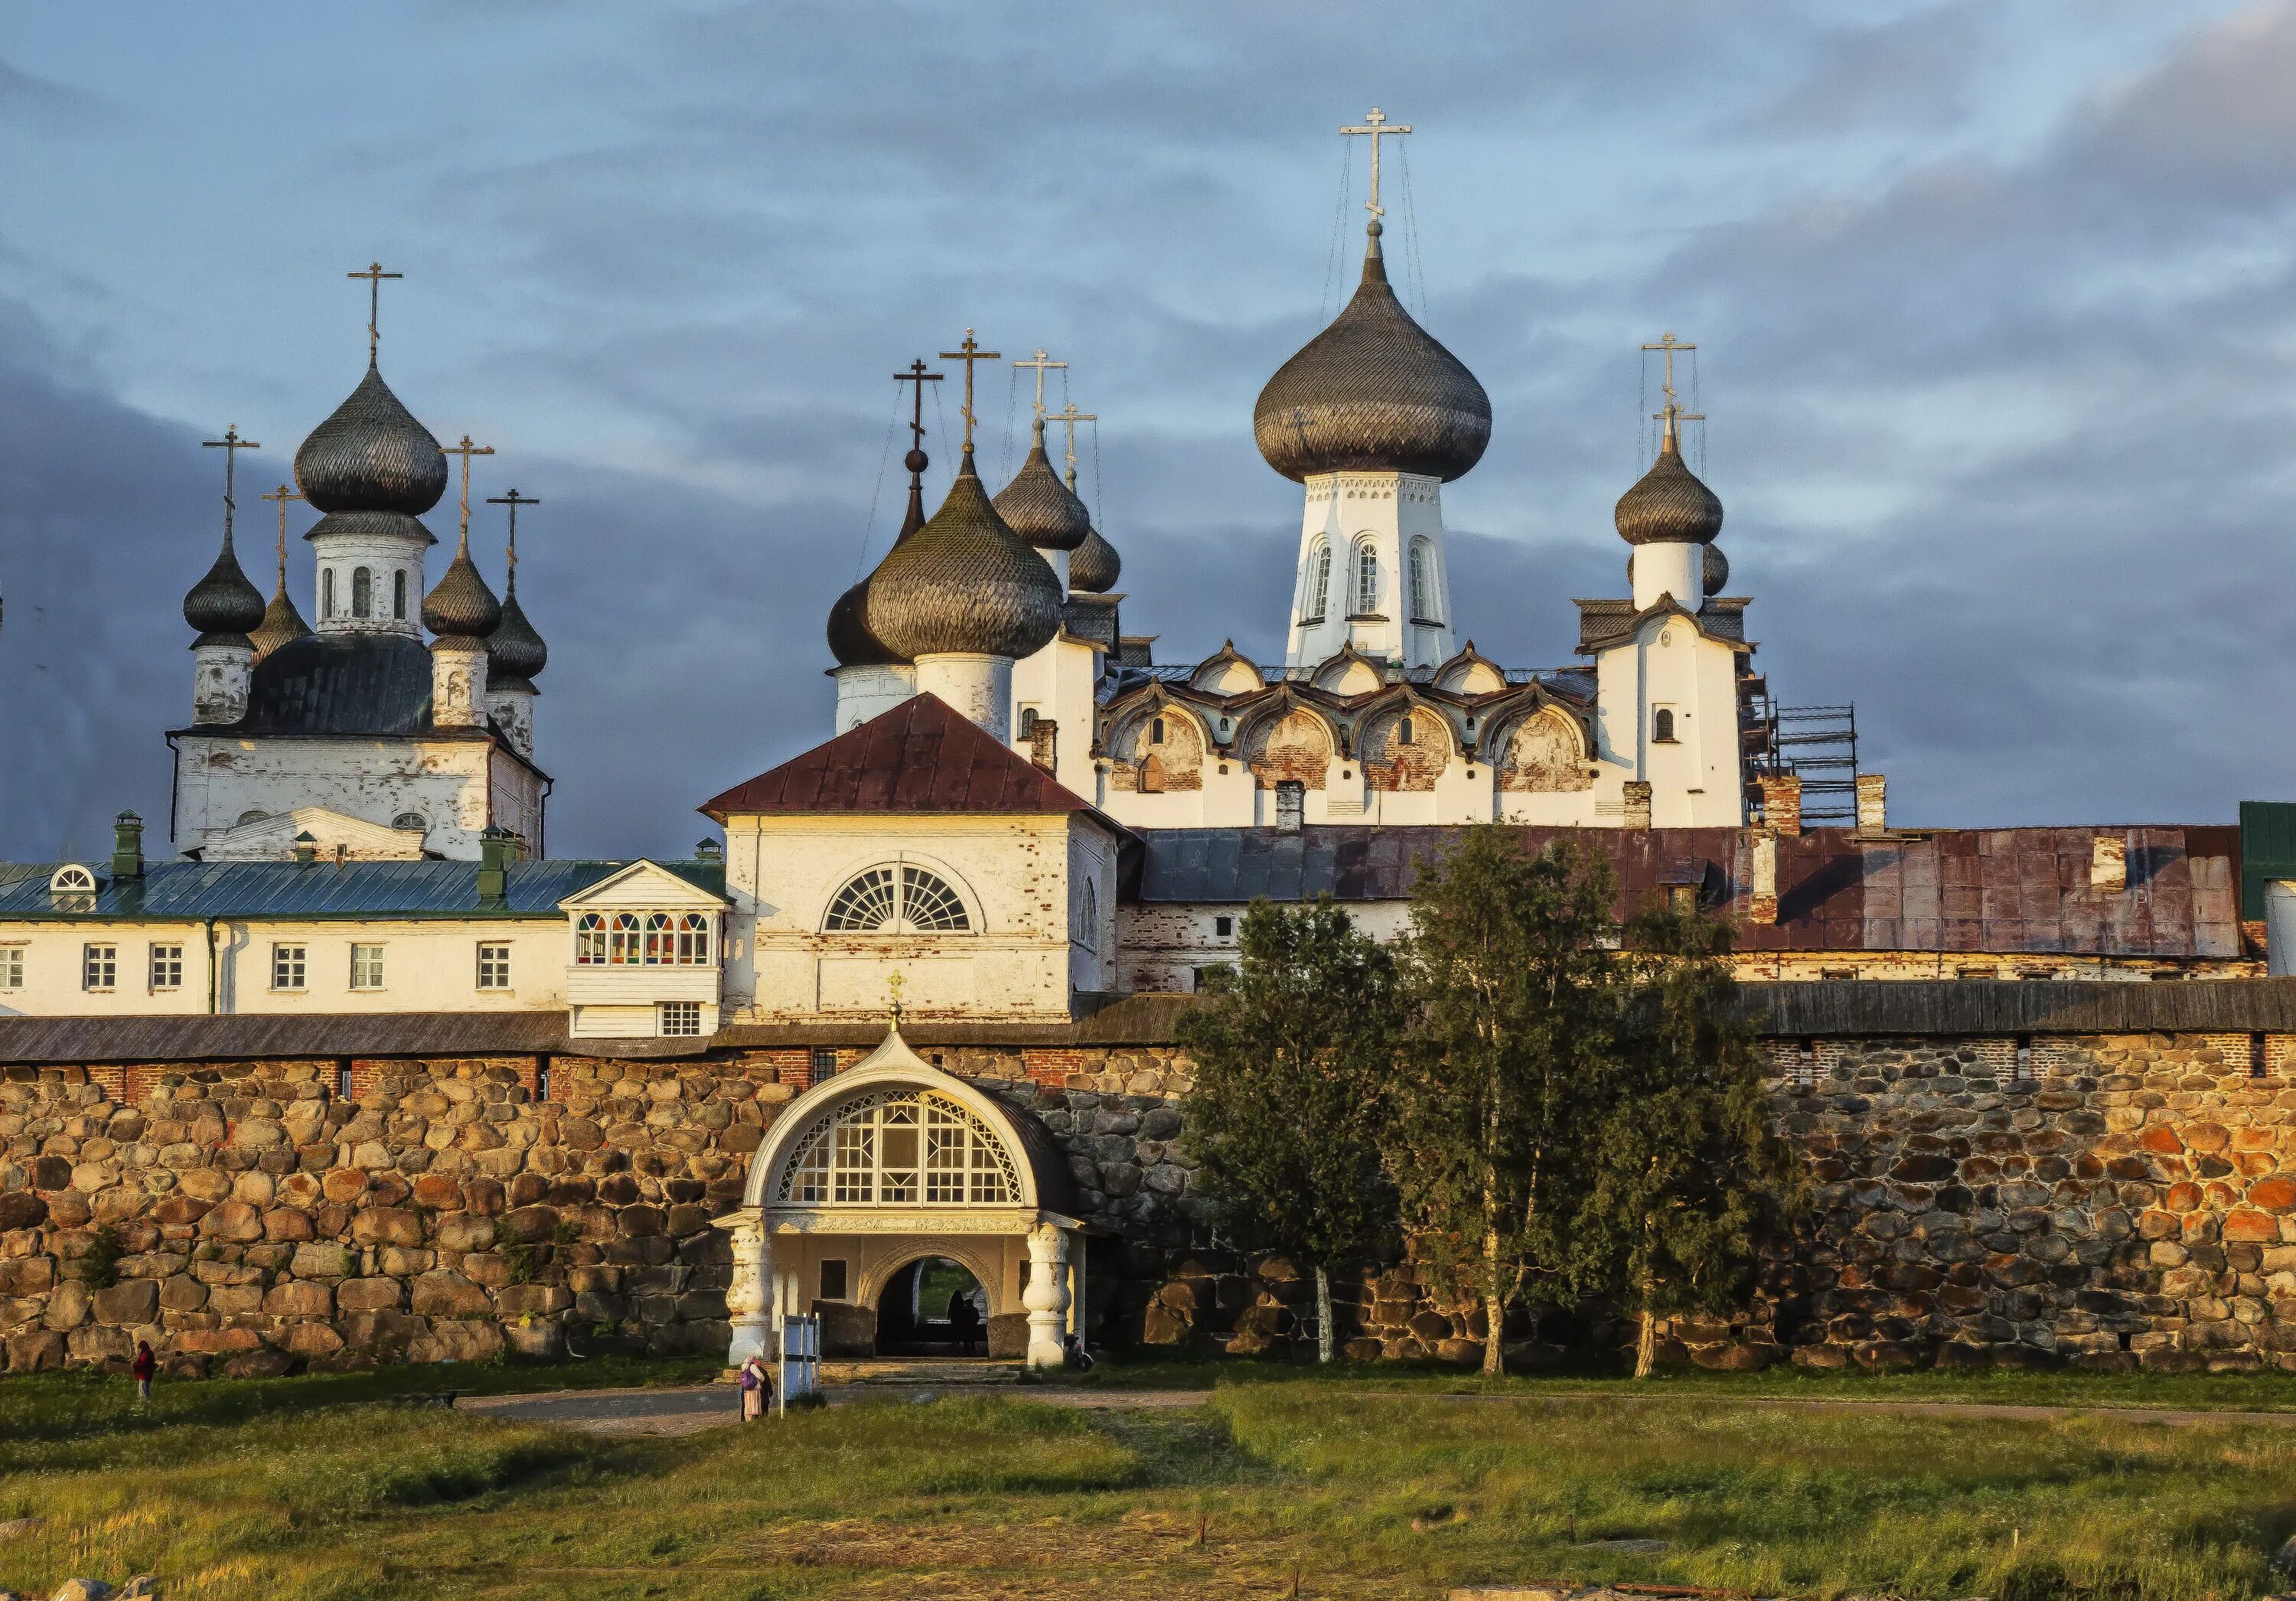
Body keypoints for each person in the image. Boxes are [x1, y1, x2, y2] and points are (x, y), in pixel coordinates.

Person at [947, 1289, 981, 1356]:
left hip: (955, 1318)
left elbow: (950, 1309)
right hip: (968, 1324)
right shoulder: (973, 1309)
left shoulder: (953, 1301)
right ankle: (972, 1350)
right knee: (971, 1338)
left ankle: (961, 1345)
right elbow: (977, 1317)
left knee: (958, 1332)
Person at [739, 1352, 771, 1421]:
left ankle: (747, 1419)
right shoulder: (753, 1366)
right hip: (754, 1389)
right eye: (755, 1359)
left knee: (748, 1404)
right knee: (755, 1404)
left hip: (746, 1390)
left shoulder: (744, 1367)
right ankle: (755, 1419)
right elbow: (761, 1377)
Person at [131, 1340, 155, 1404]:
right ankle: (142, 1402)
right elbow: (140, 1361)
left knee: (145, 1389)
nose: (140, 1349)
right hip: (141, 1374)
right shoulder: (142, 1353)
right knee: (141, 1389)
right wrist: (135, 1364)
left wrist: (136, 1365)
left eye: (141, 1347)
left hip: (146, 1373)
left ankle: (146, 1402)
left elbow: (147, 1364)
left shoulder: (149, 1353)